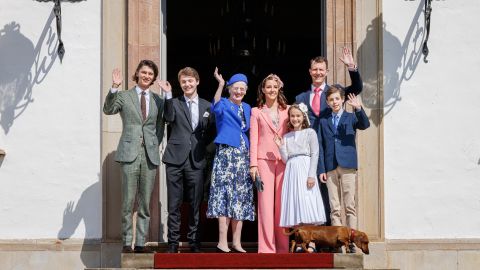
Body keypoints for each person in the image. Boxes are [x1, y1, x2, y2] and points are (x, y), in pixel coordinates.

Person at [103, 60, 171, 253]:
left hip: (149, 155)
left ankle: (140, 243)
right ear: (137, 74)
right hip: (129, 153)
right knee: (127, 201)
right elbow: (108, 110)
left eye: (150, 73)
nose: (146, 76)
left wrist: (153, 143)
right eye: (144, 72)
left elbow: (161, 124)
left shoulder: (158, 99)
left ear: (153, 77)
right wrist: (114, 87)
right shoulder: (124, 96)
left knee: (145, 202)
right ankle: (127, 242)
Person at [295, 47, 363, 224]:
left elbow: (357, 87)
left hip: (333, 153)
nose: (318, 72)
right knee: (311, 195)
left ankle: (333, 240)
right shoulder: (301, 97)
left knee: (335, 200)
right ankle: (314, 239)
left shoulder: (335, 93)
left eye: (321, 69)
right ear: (310, 71)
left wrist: (351, 68)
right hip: (309, 153)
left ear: (327, 71)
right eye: (315, 69)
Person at [157, 67, 215, 253]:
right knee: (173, 204)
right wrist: (167, 95)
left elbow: (212, 132)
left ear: (197, 82)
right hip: (175, 159)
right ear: (180, 84)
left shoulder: (207, 106)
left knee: (195, 205)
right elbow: (168, 117)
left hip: (196, 160)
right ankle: (173, 243)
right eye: (183, 82)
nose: (187, 84)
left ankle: (194, 242)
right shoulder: (173, 103)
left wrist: (204, 150)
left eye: (190, 81)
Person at [206, 68, 255, 253]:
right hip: (226, 156)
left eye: (242, 88)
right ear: (230, 88)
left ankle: (237, 242)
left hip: (243, 156)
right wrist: (219, 84)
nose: (239, 91)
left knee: (240, 198)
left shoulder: (248, 107)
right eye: (236, 88)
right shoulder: (224, 103)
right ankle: (222, 242)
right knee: (224, 197)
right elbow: (214, 106)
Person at [319, 86, 370, 253]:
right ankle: (339, 243)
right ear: (327, 102)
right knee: (334, 207)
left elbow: (365, 124)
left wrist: (358, 108)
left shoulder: (350, 117)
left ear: (342, 100)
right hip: (330, 166)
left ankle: (352, 242)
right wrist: (321, 169)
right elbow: (320, 145)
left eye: (337, 99)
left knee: (349, 206)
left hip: (347, 165)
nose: (334, 102)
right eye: (331, 99)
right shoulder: (323, 120)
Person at [275, 103, 326, 253]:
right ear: (289, 118)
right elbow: (285, 159)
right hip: (292, 170)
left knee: (307, 203)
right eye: (292, 116)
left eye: (298, 115)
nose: (295, 118)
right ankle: (299, 242)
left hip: (305, 169)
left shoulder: (310, 132)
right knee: (296, 204)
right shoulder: (287, 136)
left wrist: (311, 175)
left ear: (303, 117)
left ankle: (312, 243)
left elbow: (315, 154)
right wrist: (280, 146)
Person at [249, 74, 289, 253]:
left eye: (275, 86)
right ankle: (266, 248)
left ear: (279, 88)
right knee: (265, 205)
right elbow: (254, 138)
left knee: (282, 204)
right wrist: (253, 165)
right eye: (269, 87)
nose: (272, 90)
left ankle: (283, 247)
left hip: (284, 161)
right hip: (263, 161)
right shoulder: (256, 111)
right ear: (263, 90)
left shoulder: (288, 110)